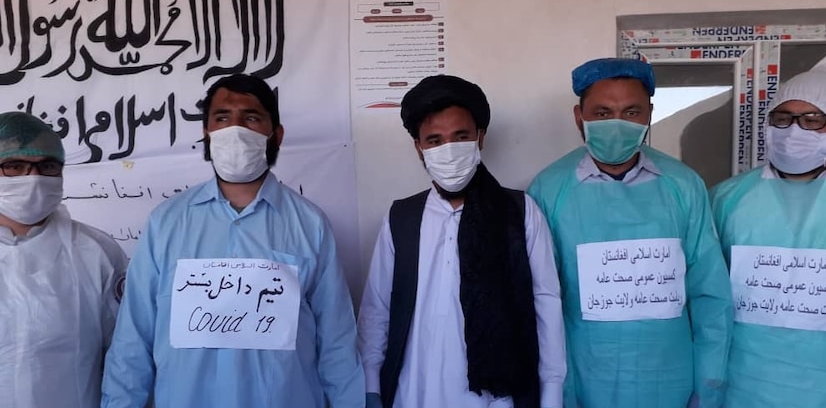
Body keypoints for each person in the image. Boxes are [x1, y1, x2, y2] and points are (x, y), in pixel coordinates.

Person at [101, 74, 364, 408]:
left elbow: (337, 340)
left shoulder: (309, 224)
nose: (235, 130)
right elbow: (132, 340)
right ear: (206, 132)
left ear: (276, 135)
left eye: (251, 118)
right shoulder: (166, 223)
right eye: (222, 118)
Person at [527, 58, 733, 408]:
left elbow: (710, 295)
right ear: (580, 117)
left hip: (670, 380)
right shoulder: (549, 190)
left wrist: (709, 384)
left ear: (649, 114)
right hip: (586, 377)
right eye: (603, 113)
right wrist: (559, 390)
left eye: (631, 112)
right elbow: (542, 301)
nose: (617, 124)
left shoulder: (683, 186)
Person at [358, 75, 566, 408]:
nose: (448, 149)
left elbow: (546, 304)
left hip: (498, 396)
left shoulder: (520, 211)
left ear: (480, 138)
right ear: (419, 148)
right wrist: (371, 384)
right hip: (414, 390)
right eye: (434, 140)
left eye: (461, 136)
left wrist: (552, 392)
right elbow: (377, 308)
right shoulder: (402, 218)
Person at [710, 48, 826, 408]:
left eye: (812, 120)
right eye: (782, 118)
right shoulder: (726, 200)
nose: (794, 130)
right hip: (741, 385)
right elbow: (705, 298)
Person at [0, 111, 127, 408]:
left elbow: (126, 356)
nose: (33, 178)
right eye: (13, 166)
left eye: (47, 166)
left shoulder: (97, 252)